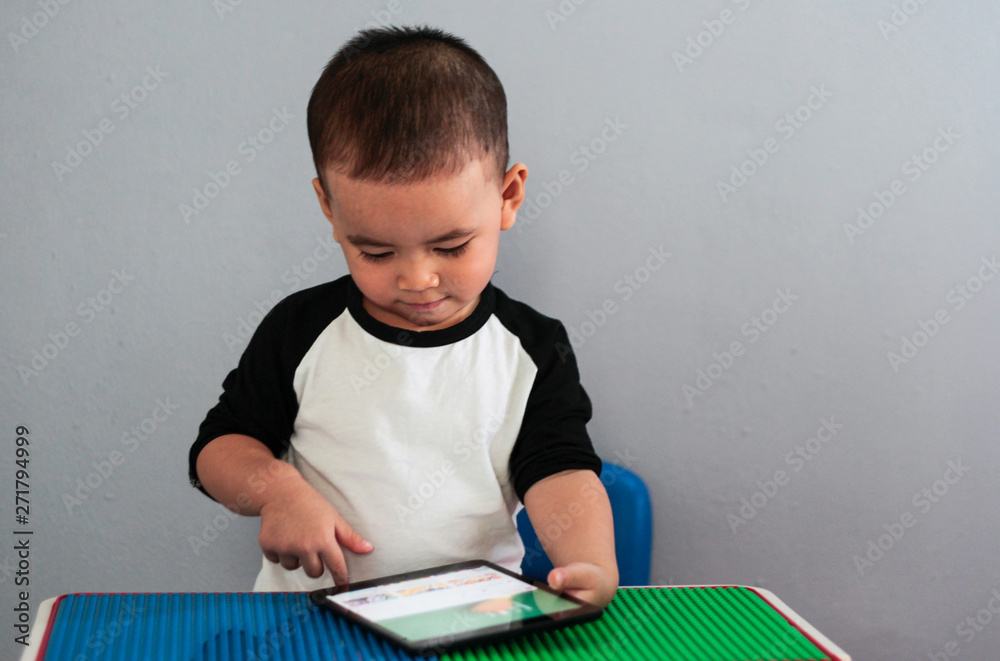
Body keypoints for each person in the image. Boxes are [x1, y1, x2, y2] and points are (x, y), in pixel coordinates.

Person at [188, 25, 618, 608]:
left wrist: (588, 562)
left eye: (451, 246)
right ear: (329, 210)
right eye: (376, 252)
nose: (417, 279)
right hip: (310, 625)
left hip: (472, 620)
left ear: (507, 197)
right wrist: (275, 491)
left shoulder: (531, 348)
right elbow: (220, 446)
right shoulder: (301, 330)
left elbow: (560, 471)